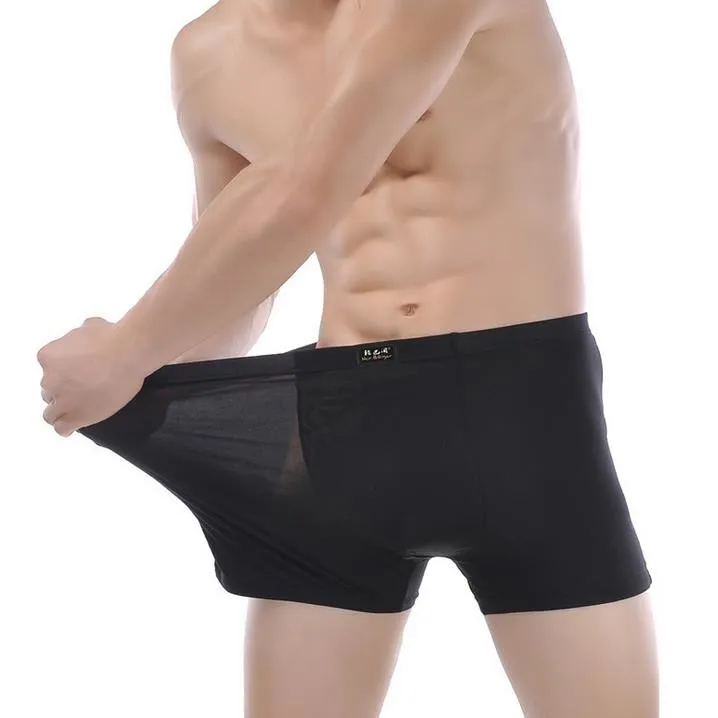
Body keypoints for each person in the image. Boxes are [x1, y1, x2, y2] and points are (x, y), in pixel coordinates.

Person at [36, 1, 658, 716]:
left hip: (524, 423)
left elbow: (306, 185)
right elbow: (242, 283)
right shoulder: (207, 54)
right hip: (340, 435)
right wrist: (134, 376)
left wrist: (123, 350)